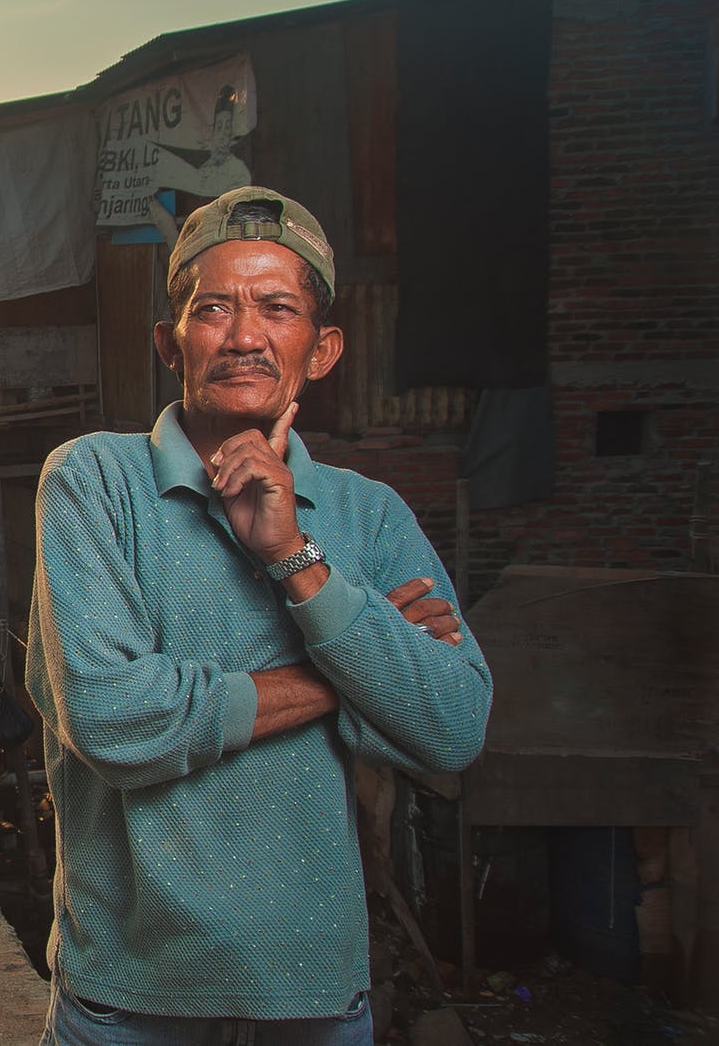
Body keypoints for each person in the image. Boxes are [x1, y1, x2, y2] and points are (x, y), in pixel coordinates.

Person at [28, 186, 491, 1044]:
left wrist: (294, 559)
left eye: (278, 308)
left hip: (317, 1001)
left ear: (321, 350)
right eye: (215, 309)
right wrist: (352, 667)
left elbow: (453, 726)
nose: (245, 335)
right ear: (172, 343)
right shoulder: (94, 482)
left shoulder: (369, 515)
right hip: (132, 1003)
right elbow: (116, 718)